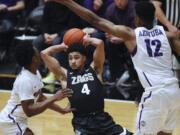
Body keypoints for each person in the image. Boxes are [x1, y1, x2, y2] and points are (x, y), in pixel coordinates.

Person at [51, 0, 180, 135]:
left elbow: (95, 20)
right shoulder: (168, 35)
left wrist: (67, 2)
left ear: (137, 18)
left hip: (155, 93)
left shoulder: (131, 34)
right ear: (155, 17)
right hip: (174, 91)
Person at [41, 36, 133, 135]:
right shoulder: (65, 77)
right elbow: (44, 53)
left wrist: (88, 40)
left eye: (76, 57)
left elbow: (100, 43)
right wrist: (62, 46)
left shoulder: (95, 70)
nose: (73, 61)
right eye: (70, 58)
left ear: (84, 58)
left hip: (103, 121)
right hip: (82, 124)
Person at [0, 42, 73, 135]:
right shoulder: (25, 81)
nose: (39, 53)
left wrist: (61, 110)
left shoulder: (35, 72)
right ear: (34, 59)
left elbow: (40, 98)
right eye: (36, 52)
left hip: (19, 119)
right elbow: (29, 111)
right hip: (11, 121)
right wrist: (54, 97)